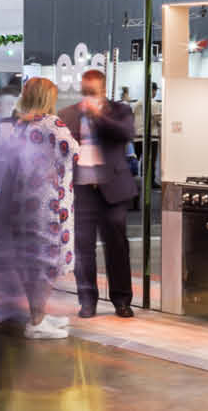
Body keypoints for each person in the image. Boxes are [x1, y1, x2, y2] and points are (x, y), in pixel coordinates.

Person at [55, 69, 137, 319]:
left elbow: (125, 134)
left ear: (103, 90)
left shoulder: (121, 111)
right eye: (86, 91)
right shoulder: (67, 114)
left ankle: (121, 300)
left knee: (117, 246)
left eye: (94, 91)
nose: (89, 95)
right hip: (81, 191)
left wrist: (98, 116)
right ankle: (87, 300)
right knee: (83, 248)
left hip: (113, 189)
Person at [5, 78, 79, 339]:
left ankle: (39, 314)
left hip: (25, 200)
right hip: (50, 204)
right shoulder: (52, 124)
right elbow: (74, 152)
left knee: (33, 262)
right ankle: (36, 321)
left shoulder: (21, 125)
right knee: (49, 261)